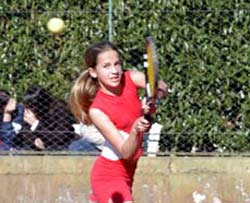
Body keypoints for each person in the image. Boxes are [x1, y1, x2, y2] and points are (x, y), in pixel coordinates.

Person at [69, 41, 167, 203]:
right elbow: (126, 152)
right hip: (109, 175)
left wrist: (153, 100)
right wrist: (135, 129)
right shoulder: (97, 110)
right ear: (93, 72)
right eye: (106, 66)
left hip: (128, 175)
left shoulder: (131, 78)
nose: (114, 71)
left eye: (117, 64)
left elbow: (162, 86)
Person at [14, 85, 80, 151]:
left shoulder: (61, 109)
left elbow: (61, 137)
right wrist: (34, 140)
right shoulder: (30, 111)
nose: (29, 108)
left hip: (62, 146)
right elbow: (25, 133)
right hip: (39, 145)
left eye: (31, 106)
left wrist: (35, 124)